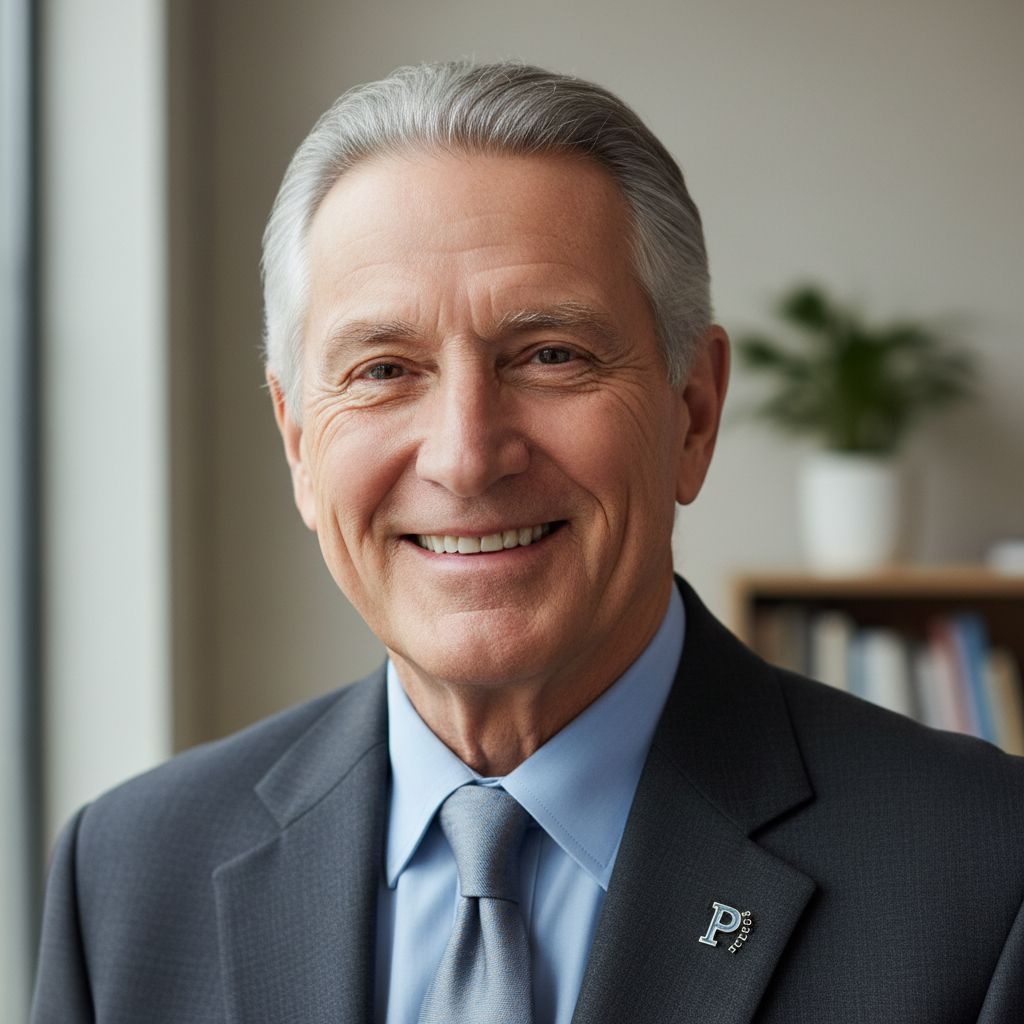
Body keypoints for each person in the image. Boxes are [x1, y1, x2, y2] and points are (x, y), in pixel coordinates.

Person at [32, 61, 1023, 1024]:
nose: (465, 456)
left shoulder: (984, 872)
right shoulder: (124, 876)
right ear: (298, 441)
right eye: (383, 369)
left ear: (692, 412)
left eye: (550, 354)